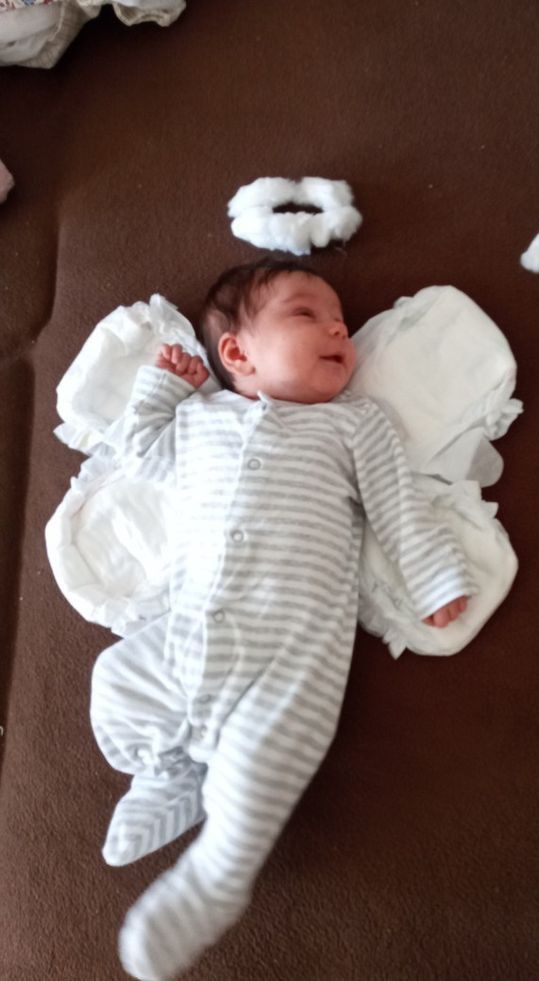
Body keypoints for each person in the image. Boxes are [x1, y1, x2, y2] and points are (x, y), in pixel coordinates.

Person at [90, 258, 476, 980]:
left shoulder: (355, 425)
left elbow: (397, 505)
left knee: (262, 763)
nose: (338, 327)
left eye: (341, 321)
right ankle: (168, 772)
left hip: (291, 650)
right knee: (115, 678)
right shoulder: (201, 421)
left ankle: (214, 877)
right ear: (237, 352)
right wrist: (165, 387)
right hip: (193, 633)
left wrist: (433, 576)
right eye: (308, 314)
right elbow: (141, 455)